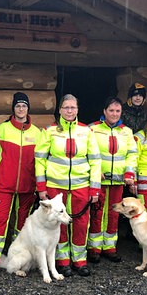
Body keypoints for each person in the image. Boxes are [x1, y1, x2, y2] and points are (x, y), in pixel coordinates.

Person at [35, 94, 101, 277]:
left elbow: (95, 161)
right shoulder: (48, 131)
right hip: (56, 187)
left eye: (73, 107)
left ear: (77, 110)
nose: (69, 111)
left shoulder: (87, 131)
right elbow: (39, 161)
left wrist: (95, 188)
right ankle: (62, 261)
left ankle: (80, 261)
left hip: (81, 187)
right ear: (60, 110)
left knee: (81, 224)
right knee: (59, 224)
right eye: (66, 108)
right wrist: (41, 188)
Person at [0, 92, 42, 278]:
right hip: (4, 185)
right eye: (18, 106)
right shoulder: (1, 129)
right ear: (13, 108)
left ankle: (17, 258)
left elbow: (39, 161)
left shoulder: (37, 133)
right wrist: (4, 174)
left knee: (22, 223)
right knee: (0, 221)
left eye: (24, 105)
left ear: (28, 108)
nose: (21, 109)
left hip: (27, 185)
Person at [87, 97, 138, 264]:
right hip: (99, 180)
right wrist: (95, 171)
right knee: (97, 213)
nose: (114, 114)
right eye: (111, 110)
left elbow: (132, 154)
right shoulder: (92, 129)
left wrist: (129, 173)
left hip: (117, 181)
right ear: (104, 111)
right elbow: (87, 152)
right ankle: (94, 248)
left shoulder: (127, 131)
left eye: (117, 111)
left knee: (114, 214)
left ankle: (110, 247)